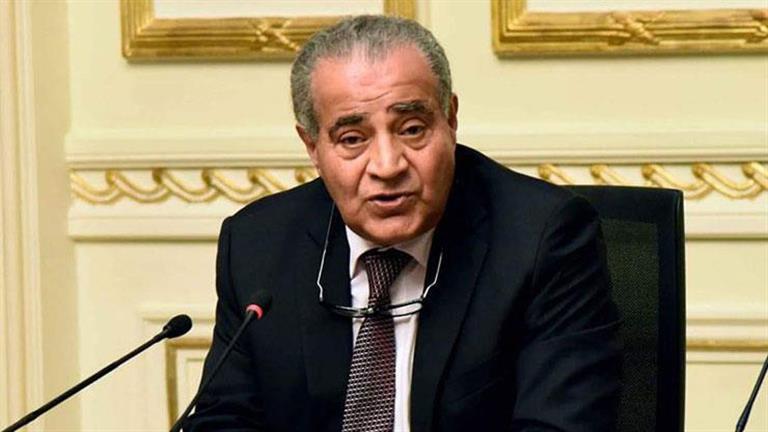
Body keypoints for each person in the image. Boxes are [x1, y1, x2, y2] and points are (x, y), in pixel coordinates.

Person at [184, 15, 621, 432]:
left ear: (450, 119)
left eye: (412, 129)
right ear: (312, 146)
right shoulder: (258, 244)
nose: (388, 165)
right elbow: (224, 420)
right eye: (352, 139)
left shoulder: (543, 237)